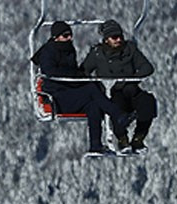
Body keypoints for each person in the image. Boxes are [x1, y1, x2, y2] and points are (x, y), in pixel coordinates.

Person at [32, 21, 129, 156]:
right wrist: (76, 76)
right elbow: (51, 72)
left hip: (69, 94)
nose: (69, 38)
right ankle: (117, 114)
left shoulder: (68, 50)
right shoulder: (48, 51)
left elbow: (71, 72)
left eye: (70, 35)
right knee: (90, 89)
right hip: (57, 97)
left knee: (93, 104)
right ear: (56, 37)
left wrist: (80, 76)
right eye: (65, 36)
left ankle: (96, 146)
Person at [81, 19, 157, 153]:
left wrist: (131, 78)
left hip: (131, 89)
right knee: (116, 109)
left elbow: (147, 67)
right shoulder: (98, 54)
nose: (118, 40)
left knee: (148, 103)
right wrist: (95, 84)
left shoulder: (130, 50)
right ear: (106, 39)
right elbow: (83, 71)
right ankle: (122, 139)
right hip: (112, 91)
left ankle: (138, 139)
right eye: (114, 37)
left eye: (120, 36)